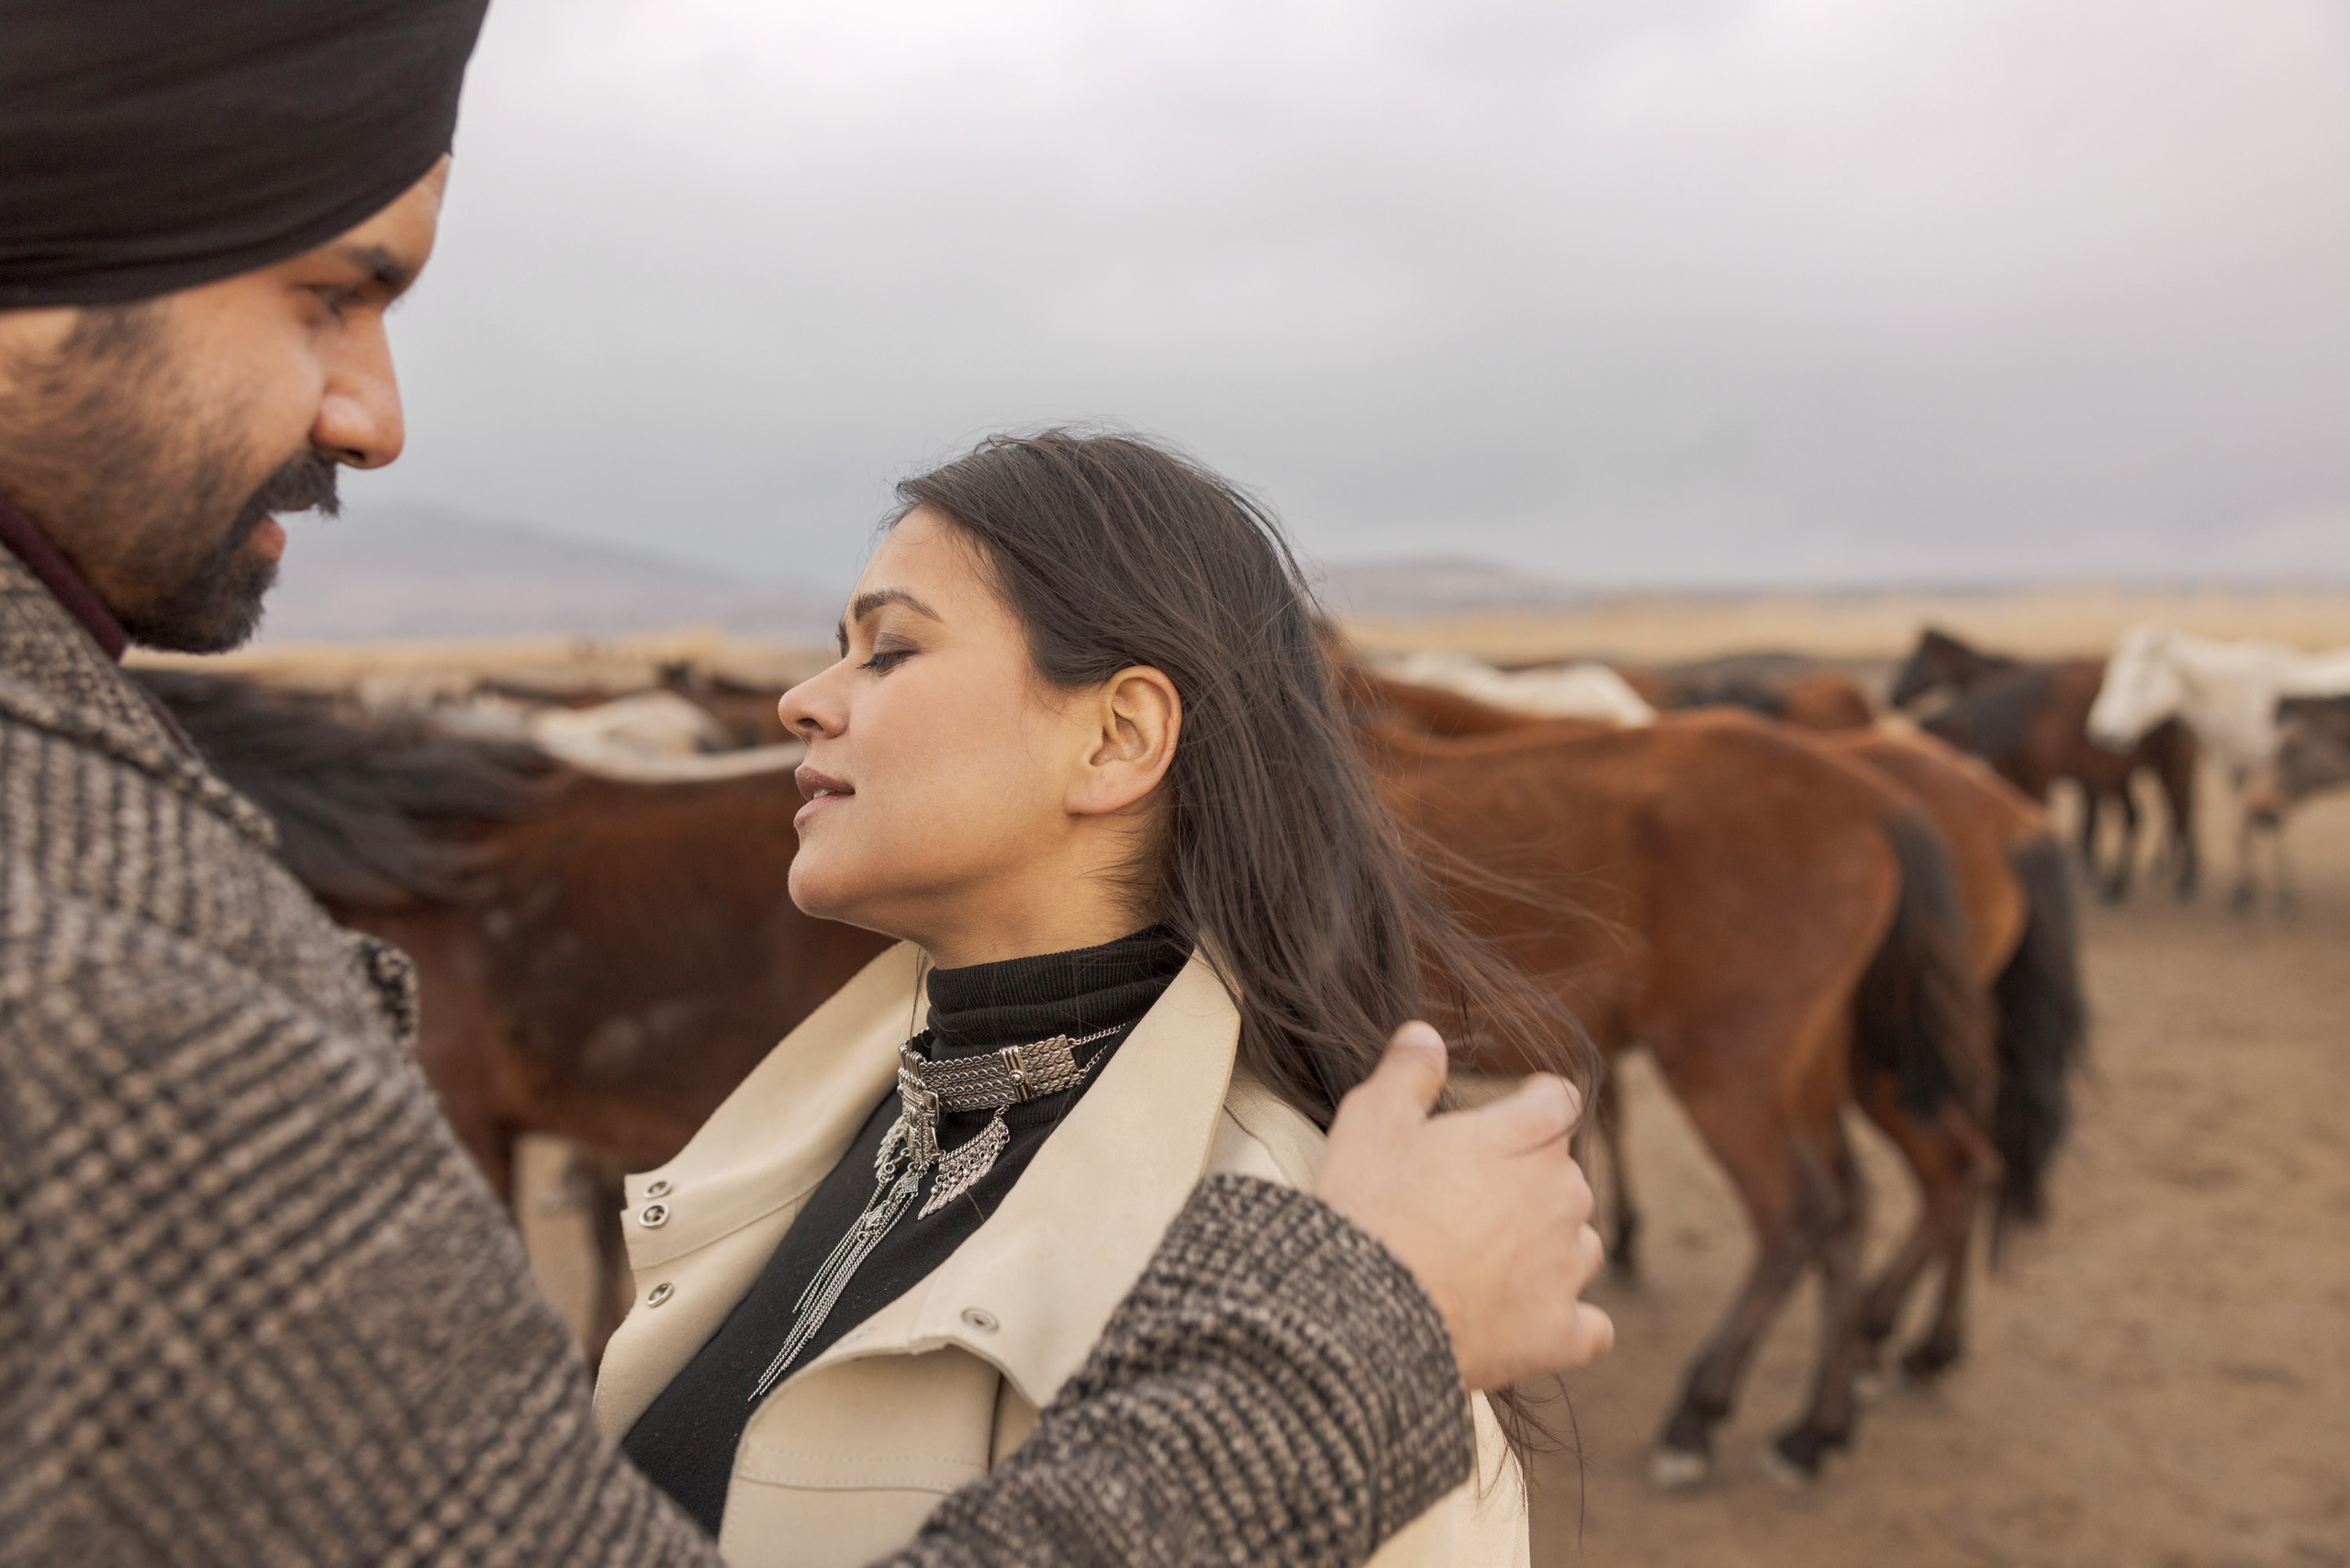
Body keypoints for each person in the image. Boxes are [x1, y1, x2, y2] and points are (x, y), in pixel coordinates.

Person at [0, 4, 1614, 1566]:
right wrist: (1347, 1347)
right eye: (328, 294)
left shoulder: (1283, 1219)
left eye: (890, 651)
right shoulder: (841, 1160)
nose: (377, 414)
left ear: (1120, 736)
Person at [598, 431, 1606, 1568]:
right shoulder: (844, 1128)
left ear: (1118, 737)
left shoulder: (1322, 1258)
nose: (799, 700)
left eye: (887, 650)